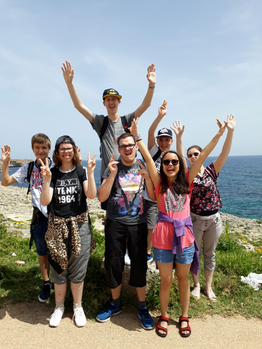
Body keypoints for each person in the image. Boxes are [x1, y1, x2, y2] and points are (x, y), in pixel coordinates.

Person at [130, 117, 227, 338]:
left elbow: (202, 156)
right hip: (163, 238)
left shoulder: (187, 179)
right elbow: (146, 154)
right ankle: (164, 316)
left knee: (183, 280)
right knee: (166, 280)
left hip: (184, 238)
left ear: (180, 164)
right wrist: (136, 135)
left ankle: (184, 316)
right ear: (162, 166)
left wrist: (219, 135)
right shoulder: (158, 182)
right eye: (166, 162)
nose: (171, 164)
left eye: (174, 161)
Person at [174, 114, 238, 302]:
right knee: (196, 253)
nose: (193, 157)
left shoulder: (211, 170)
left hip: (214, 220)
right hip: (195, 218)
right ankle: (197, 285)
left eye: (196, 153)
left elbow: (225, 152)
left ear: (201, 154)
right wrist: (179, 138)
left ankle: (208, 288)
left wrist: (230, 132)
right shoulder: (187, 174)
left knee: (210, 254)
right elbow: (178, 155)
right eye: (190, 155)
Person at [95, 133, 155, 330]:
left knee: (139, 264)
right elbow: (101, 196)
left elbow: (153, 196)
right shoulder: (112, 167)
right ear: (118, 148)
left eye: (131, 145)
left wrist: (147, 178)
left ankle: (142, 306)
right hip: (115, 223)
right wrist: (112, 174)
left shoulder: (143, 166)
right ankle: (115, 303)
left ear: (136, 147)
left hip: (138, 223)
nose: (128, 149)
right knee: (113, 262)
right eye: (124, 146)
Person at [39, 135, 96, 328]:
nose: (66, 151)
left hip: (80, 227)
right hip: (57, 228)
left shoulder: (80, 171)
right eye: (62, 148)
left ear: (74, 150)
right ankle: (59, 307)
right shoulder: (52, 173)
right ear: (57, 152)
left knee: (78, 271)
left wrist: (89, 171)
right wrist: (47, 180)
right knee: (58, 270)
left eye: (69, 148)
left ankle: (78, 307)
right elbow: (45, 202)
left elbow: (91, 195)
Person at [1, 134, 53, 303]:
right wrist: (6, 163)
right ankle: (46, 283)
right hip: (38, 216)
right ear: (33, 149)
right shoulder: (29, 168)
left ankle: (60, 283)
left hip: (56, 215)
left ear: (49, 149)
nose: (41, 150)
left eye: (44, 147)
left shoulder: (56, 165)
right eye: (37, 147)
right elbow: (6, 182)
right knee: (42, 252)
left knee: (59, 252)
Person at [145, 100, 173, 260]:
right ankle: (148, 251)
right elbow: (150, 132)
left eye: (166, 140)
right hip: (150, 195)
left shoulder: (173, 157)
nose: (163, 143)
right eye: (160, 139)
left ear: (171, 141)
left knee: (167, 224)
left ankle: (166, 248)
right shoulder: (153, 151)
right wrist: (159, 116)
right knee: (150, 225)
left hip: (167, 196)